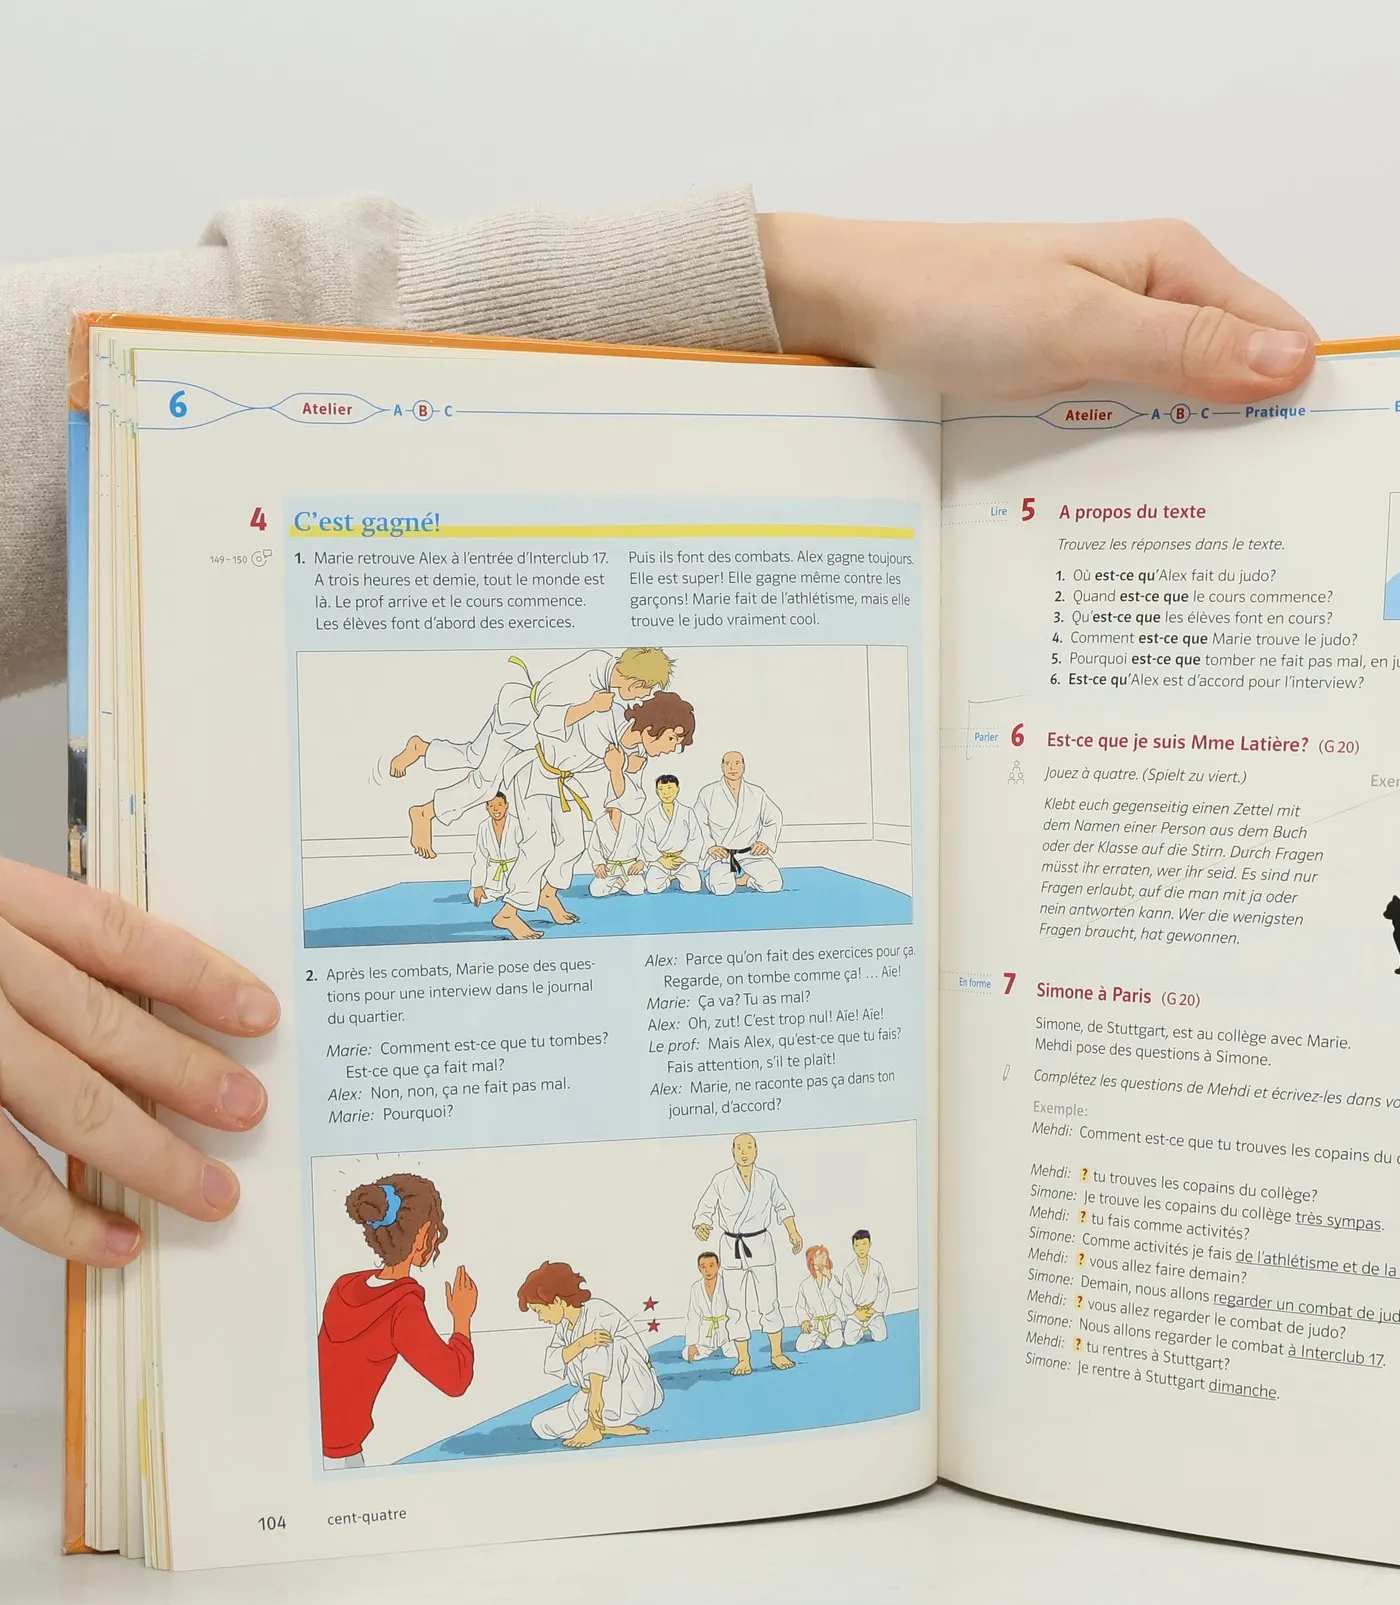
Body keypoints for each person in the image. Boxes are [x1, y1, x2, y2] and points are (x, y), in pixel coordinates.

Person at [0, 198, 1315, 1268]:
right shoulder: (582, 704)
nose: (681, 754)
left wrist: (801, 276)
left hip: (566, 779)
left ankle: (505, 865)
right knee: (511, 802)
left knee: (573, 840)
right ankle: (473, 841)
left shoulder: (631, 736)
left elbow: (235, 346)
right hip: (529, 761)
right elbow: (190, 377)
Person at [393, 646, 674, 859]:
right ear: (636, 682)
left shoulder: (602, 670)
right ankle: (425, 813)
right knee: (485, 783)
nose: (642, 697)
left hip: (515, 713)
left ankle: (423, 749)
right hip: (521, 725)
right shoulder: (589, 679)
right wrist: (589, 707)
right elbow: (545, 719)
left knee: (473, 755)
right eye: (645, 691)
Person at [492, 688, 695, 940]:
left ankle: (547, 893)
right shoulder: (607, 715)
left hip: (562, 782)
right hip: (533, 773)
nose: (673, 748)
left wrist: (617, 770)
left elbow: (632, 802)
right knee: (539, 846)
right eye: (672, 738)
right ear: (653, 726)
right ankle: (508, 912)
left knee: (574, 843)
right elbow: (547, 724)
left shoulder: (638, 754)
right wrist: (590, 708)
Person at [317, 1174, 478, 1466]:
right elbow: (455, 1380)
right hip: (340, 1457)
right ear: (423, 1236)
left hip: (311, 1443)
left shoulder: (344, 1286)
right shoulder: (401, 1307)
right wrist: (462, 1318)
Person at [690, 1132, 804, 1373]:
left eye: (749, 1147)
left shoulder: (768, 1179)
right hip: (731, 1247)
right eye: (739, 1148)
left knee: (769, 1302)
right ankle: (743, 1358)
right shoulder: (721, 1180)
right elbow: (706, 1207)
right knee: (735, 1307)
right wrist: (701, 1224)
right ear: (732, 1152)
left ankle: (777, 1353)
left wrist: (793, 1232)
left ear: (756, 1151)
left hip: (760, 1243)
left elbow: (783, 1207)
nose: (744, 1152)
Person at [518, 1260, 662, 1448]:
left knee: (605, 1341)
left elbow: (599, 1356)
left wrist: (595, 1400)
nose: (540, 1317)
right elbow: (552, 1362)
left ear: (557, 1301)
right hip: (592, 1396)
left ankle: (595, 1426)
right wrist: (581, 1343)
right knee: (542, 1425)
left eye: (539, 1310)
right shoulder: (564, 1325)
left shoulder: (597, 1311)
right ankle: (609, 1427)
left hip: (633, 1390)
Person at [697, 751, 784, 894]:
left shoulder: (756, 793)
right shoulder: (708, 793)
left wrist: (764, 842)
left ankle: (747, 880)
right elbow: (699, 823)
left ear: (743, 766)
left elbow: (774, 817)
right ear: (722, 767)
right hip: (723, 855)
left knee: (773, 884)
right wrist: (710, 846)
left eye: (737, 763)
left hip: (750, 852)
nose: (732, 768)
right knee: (722, 889)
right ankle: (713, 879)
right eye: (728, 763)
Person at [636, 773, 703, 893]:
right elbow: (647, 842)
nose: (666, 793)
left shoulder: (687, 812)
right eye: (662, 789)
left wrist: (682, 858)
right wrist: (662, 860)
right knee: (652, 888)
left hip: (682, 859)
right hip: (661, 859)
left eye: (670, 788)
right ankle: (668, 879)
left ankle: (676, 875)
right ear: (657, 791)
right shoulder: (651, 815)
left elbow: (696, 838)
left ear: (677, 789)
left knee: (694, 886)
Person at [837, 1229, 891, 1345]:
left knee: (881, 1336)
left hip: (873, 1310)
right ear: (853, 1247)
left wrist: (873, 1310)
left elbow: (883, 1290)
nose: (861, 1248)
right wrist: (857, 1313)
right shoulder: (848, 1270)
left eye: (864, 1244)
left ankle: (869, 1325)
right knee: (849, 1340)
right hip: (857, 1311)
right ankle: (861, 1330)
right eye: (857, 1245)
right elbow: (845, 1296)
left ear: (870, 1244)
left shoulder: (876, 1266)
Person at [792, 1244, 849, 1353]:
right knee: (801, 1347)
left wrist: (829, 1277)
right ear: (811, 1261)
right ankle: (818, 1339)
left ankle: (829, 1337)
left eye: (824, 1256)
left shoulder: (832, 1279)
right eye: (819, 1256)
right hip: (815, 1323)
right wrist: (804, 1321)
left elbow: (842, 1295)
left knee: (836, 1343)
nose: (823, 1259)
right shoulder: (805, 1284)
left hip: (831, 1321)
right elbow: (800, 1306)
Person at [469, 790, 521, 907]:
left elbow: (525, 853)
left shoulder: (516, 824)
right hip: (494, 879)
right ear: (487, 808)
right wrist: (478, 885)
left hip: (515, 873)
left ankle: (515, 893)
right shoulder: (484, 827)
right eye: (491, 806)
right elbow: (481, 857)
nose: (496, 809)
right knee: (473, 895)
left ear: (506, 806)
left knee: (528, 892)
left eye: (499, 805)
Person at [683, 1249, 733, 1363]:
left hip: (726, 1331)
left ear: (718, 1265)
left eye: (711, 1265)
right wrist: (691, 1343)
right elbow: (693, 1316)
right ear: (699, 1268)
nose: (707, 1270)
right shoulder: (696, 1288)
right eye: (703, 1267)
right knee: (687, 1354)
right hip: (706, 1333)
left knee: (733, 1352)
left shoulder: (727, 1283)